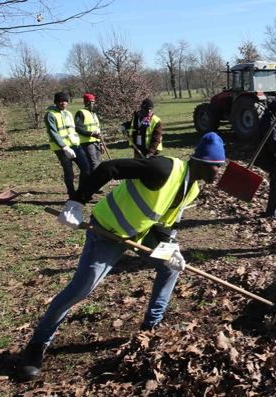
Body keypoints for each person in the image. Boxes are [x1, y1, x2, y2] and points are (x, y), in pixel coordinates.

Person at [17, 133, 228, 381]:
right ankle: (37, 344)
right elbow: (109, 167)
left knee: (170, 269)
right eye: (216, 167)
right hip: (108, 230)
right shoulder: (164, 167)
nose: (218, 173)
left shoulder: (191, 189)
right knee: (81, 289)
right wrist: (76, 201)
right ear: (202, 162)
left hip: (140, 232)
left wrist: (173, 248)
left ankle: (152, 325)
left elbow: (163, 225)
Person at [46, 92, 90, 199]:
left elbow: (73, 129)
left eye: (65, 101)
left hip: (75, 145)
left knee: (86, 168)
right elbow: (53, 132)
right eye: (60, 101)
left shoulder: (69, 113)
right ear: (56, 102)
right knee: (69, 171)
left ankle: (81, 192)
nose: (63, 103)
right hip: (61, 148)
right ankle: (72, 194)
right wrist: (64, 147)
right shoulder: (50, 114)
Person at [75, 92, 103, 171]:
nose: (93, 104)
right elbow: (77, 128)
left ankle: (98, 181)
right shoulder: (80, 113)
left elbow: (97, 128)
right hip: (87, 143)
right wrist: (91, 134)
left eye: (94, 101)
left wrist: (101, 143)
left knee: (98, 163)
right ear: (86, 102)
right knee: (93, 164)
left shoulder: (93, 113)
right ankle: (94, 182)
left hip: (96, 142)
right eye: (91, 102)